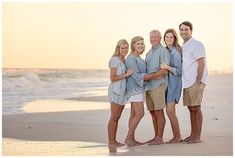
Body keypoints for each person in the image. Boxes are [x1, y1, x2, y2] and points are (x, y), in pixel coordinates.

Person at [179, 21, 208, 143]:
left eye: (186, 29)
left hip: (195, 81)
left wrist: (198, 80)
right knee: (191, 108)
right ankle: (192, 134)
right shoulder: (183, 46)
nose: (184, 31)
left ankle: (197, 136)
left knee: (196, 108)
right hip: (186, 82)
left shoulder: (197, 44)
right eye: (181, 29)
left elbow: (201, 63)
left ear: (191, 31)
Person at [145, 30, 170, 145]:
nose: (153, 39)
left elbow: (164, 70)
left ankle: (160, 138)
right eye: (151, 37)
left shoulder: (163, 50)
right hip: (148, 86)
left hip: (158, 85)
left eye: (155, 37)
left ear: (160, 38)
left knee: (159, 112)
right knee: (152, 112)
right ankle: (156, 137)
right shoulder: (149, 52)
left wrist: (150, 76)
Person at [107, 39, 134, 147]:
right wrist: (126, 75)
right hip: (115, 92)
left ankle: (114, 140)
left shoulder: (125, 60)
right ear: (118, 48)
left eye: (126, 48)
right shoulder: (114, 59)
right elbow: (112, 78)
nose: (124, 50)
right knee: (113, 117)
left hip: (123, 92)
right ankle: (111, 141)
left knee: (117, 117)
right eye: (122, 48)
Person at [160, 29, 182, 143]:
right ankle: (176, 136)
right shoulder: (165, 51)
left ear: (174, 39)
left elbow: (179, 71)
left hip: (174, 86)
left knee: (170, 111)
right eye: (167, 37)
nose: (168, 39)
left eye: (171, 37)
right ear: (164, 39)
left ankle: (177, 136)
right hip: (166, 86)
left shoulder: (175, 53)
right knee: (170, 111)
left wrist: (167, 67)